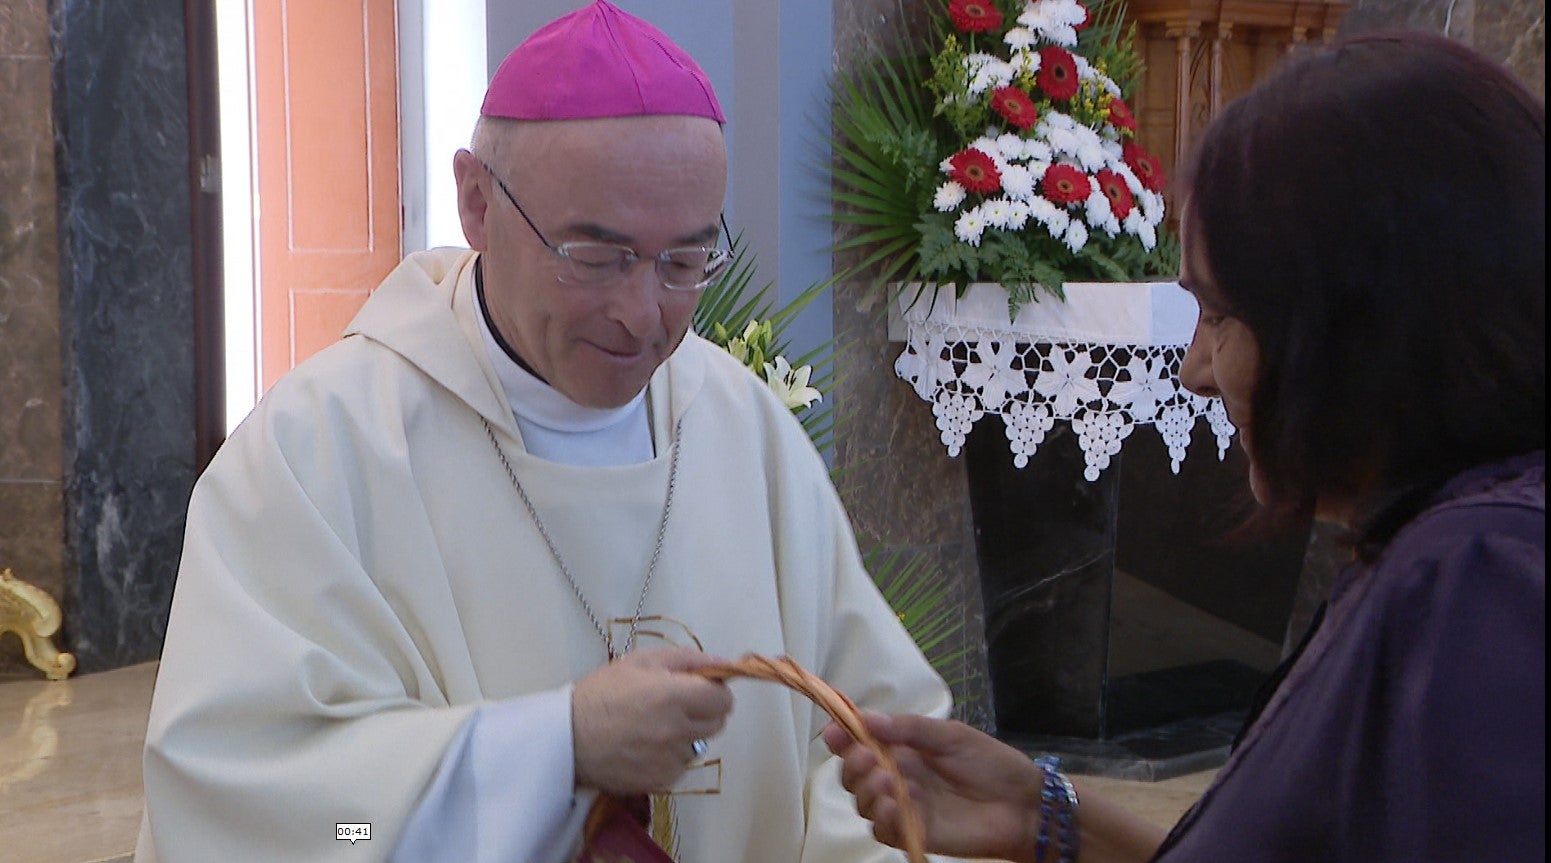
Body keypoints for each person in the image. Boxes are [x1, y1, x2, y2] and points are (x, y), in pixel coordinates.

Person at [135, 3, 955, 861]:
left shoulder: (741, 428)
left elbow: (873, 746)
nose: (642, 316)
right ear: (477, 203)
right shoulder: (317, 453)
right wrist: (553, 752)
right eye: (594, 257)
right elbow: (252, 813)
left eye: (684, 262)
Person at [822, 29, 1545, 863]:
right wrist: (1050, 816)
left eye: (1220, 315)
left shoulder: (1479, 582)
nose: (1196, 370)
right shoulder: (1456, 548)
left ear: (1355, 327)